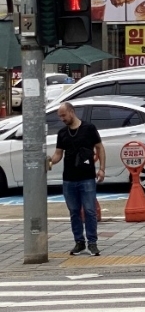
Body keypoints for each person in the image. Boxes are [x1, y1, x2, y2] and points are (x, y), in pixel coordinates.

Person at [48, 102, 106, 256]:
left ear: (72, 112)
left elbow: (99, 147)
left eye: (64, 115)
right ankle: (79, 242)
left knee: (89, 210)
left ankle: (92, 242)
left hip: (87, 177)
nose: (62, 119)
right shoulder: (62, 133)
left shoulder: (89, 128)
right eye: (60, 116)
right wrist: (49, 162)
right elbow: (58, 154)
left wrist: (101, 169)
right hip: (69, 178)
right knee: (74, 211)